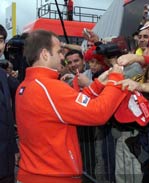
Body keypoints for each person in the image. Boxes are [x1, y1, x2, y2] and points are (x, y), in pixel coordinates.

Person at [15, 30, 128, 183]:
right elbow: (98, 113)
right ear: (45, 54)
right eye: (59, 51)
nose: (63, 57)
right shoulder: (50, 87)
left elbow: (71, 106)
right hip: (53, 176)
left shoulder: (28, 84)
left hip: (37, 172)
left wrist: (98, 84)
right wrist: (116, 78)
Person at [0, 24, 19, 183]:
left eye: (0, 40)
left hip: (5, 161)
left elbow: (7, 115)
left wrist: (14, 148)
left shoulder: (3, 75)